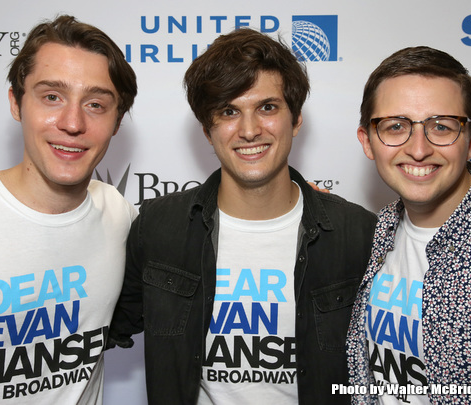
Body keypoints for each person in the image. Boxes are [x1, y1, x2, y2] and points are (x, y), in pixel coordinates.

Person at [108, 28, 376, 404]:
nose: (250, 130)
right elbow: (94, 327)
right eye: (229, 111)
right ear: (207, 129)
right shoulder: (158, 228)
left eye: (267, 107)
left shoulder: (358, 235)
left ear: (295, 119)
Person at [0, 15, 137, 404]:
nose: (72, 122)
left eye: (96, 104)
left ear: (116, 122)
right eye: (51, 97)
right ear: (16, 102)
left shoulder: (118, 214)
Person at [347, 46, 471, 404]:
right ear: (368, 142)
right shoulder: (378, 230)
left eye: (441, 126)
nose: (418, 149)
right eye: (396, 126)